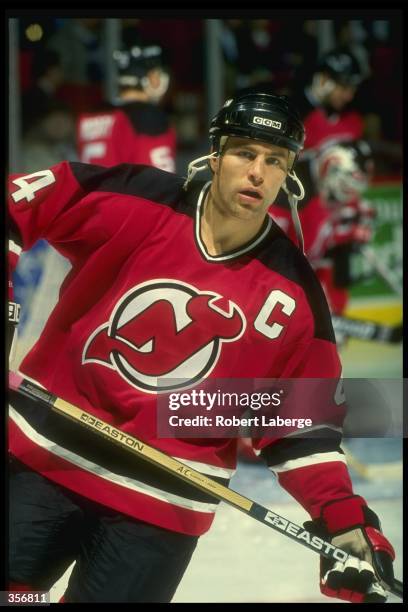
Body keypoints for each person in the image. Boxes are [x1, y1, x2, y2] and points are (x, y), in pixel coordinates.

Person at [8, 93, 396, 603]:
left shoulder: (297, 295)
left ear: (289, 175)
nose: (257, 172)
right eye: (244, 153)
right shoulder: (139, 199)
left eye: (274, 160)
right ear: (214, 156)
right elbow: (24, 201)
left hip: (163, 506)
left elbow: (303, 429)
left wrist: (345, 520)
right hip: (44, 456)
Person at [272, 139, 376, 317]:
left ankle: (331, 310)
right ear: (333, 169)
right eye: (346, 185)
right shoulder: (287, 188)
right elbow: (295, 256)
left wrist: (352, 219)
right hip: (271, 271)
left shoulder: (321, 175)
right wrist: (339, 234)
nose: (349, 193)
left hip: (296, 262)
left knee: (335, 258)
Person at [77, 42, 176, 171]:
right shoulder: (149, 116)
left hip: (93, 190)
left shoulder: (90, 114)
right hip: (124, 191)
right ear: (151, 77)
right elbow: (160, 180)